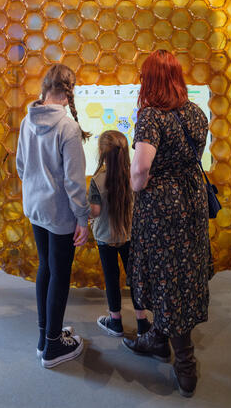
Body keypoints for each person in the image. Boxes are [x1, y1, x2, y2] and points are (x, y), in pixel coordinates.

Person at [122, 50, 213, 398]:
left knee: (166, 275)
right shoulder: (195, 112)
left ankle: (185, 366)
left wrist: (135, 186)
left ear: (151, 80)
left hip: (162, 207)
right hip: (191, 199)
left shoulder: (150, 117)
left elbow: (141, 169)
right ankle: (158, 339)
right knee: (182, 270)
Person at [16, 64, 90, 368]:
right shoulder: (68, 128)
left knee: (45, 268)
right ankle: (53, 348)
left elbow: (21, 166)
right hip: (59, 213)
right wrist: (82, 219)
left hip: (35, 208)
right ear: (70, 90)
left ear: (45, 86)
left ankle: (45, 336)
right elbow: (74, 182)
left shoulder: (27, 119)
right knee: (59, 275)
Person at [88, 130, 151, 337]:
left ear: (102, 153)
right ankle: (142, 323)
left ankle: (115, 322)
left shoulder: (97, 180)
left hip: (105, 238)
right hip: (129, 236)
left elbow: (95, 211)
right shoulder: (133, 175)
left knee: (111, 279)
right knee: (135, 278)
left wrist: (83, 210)